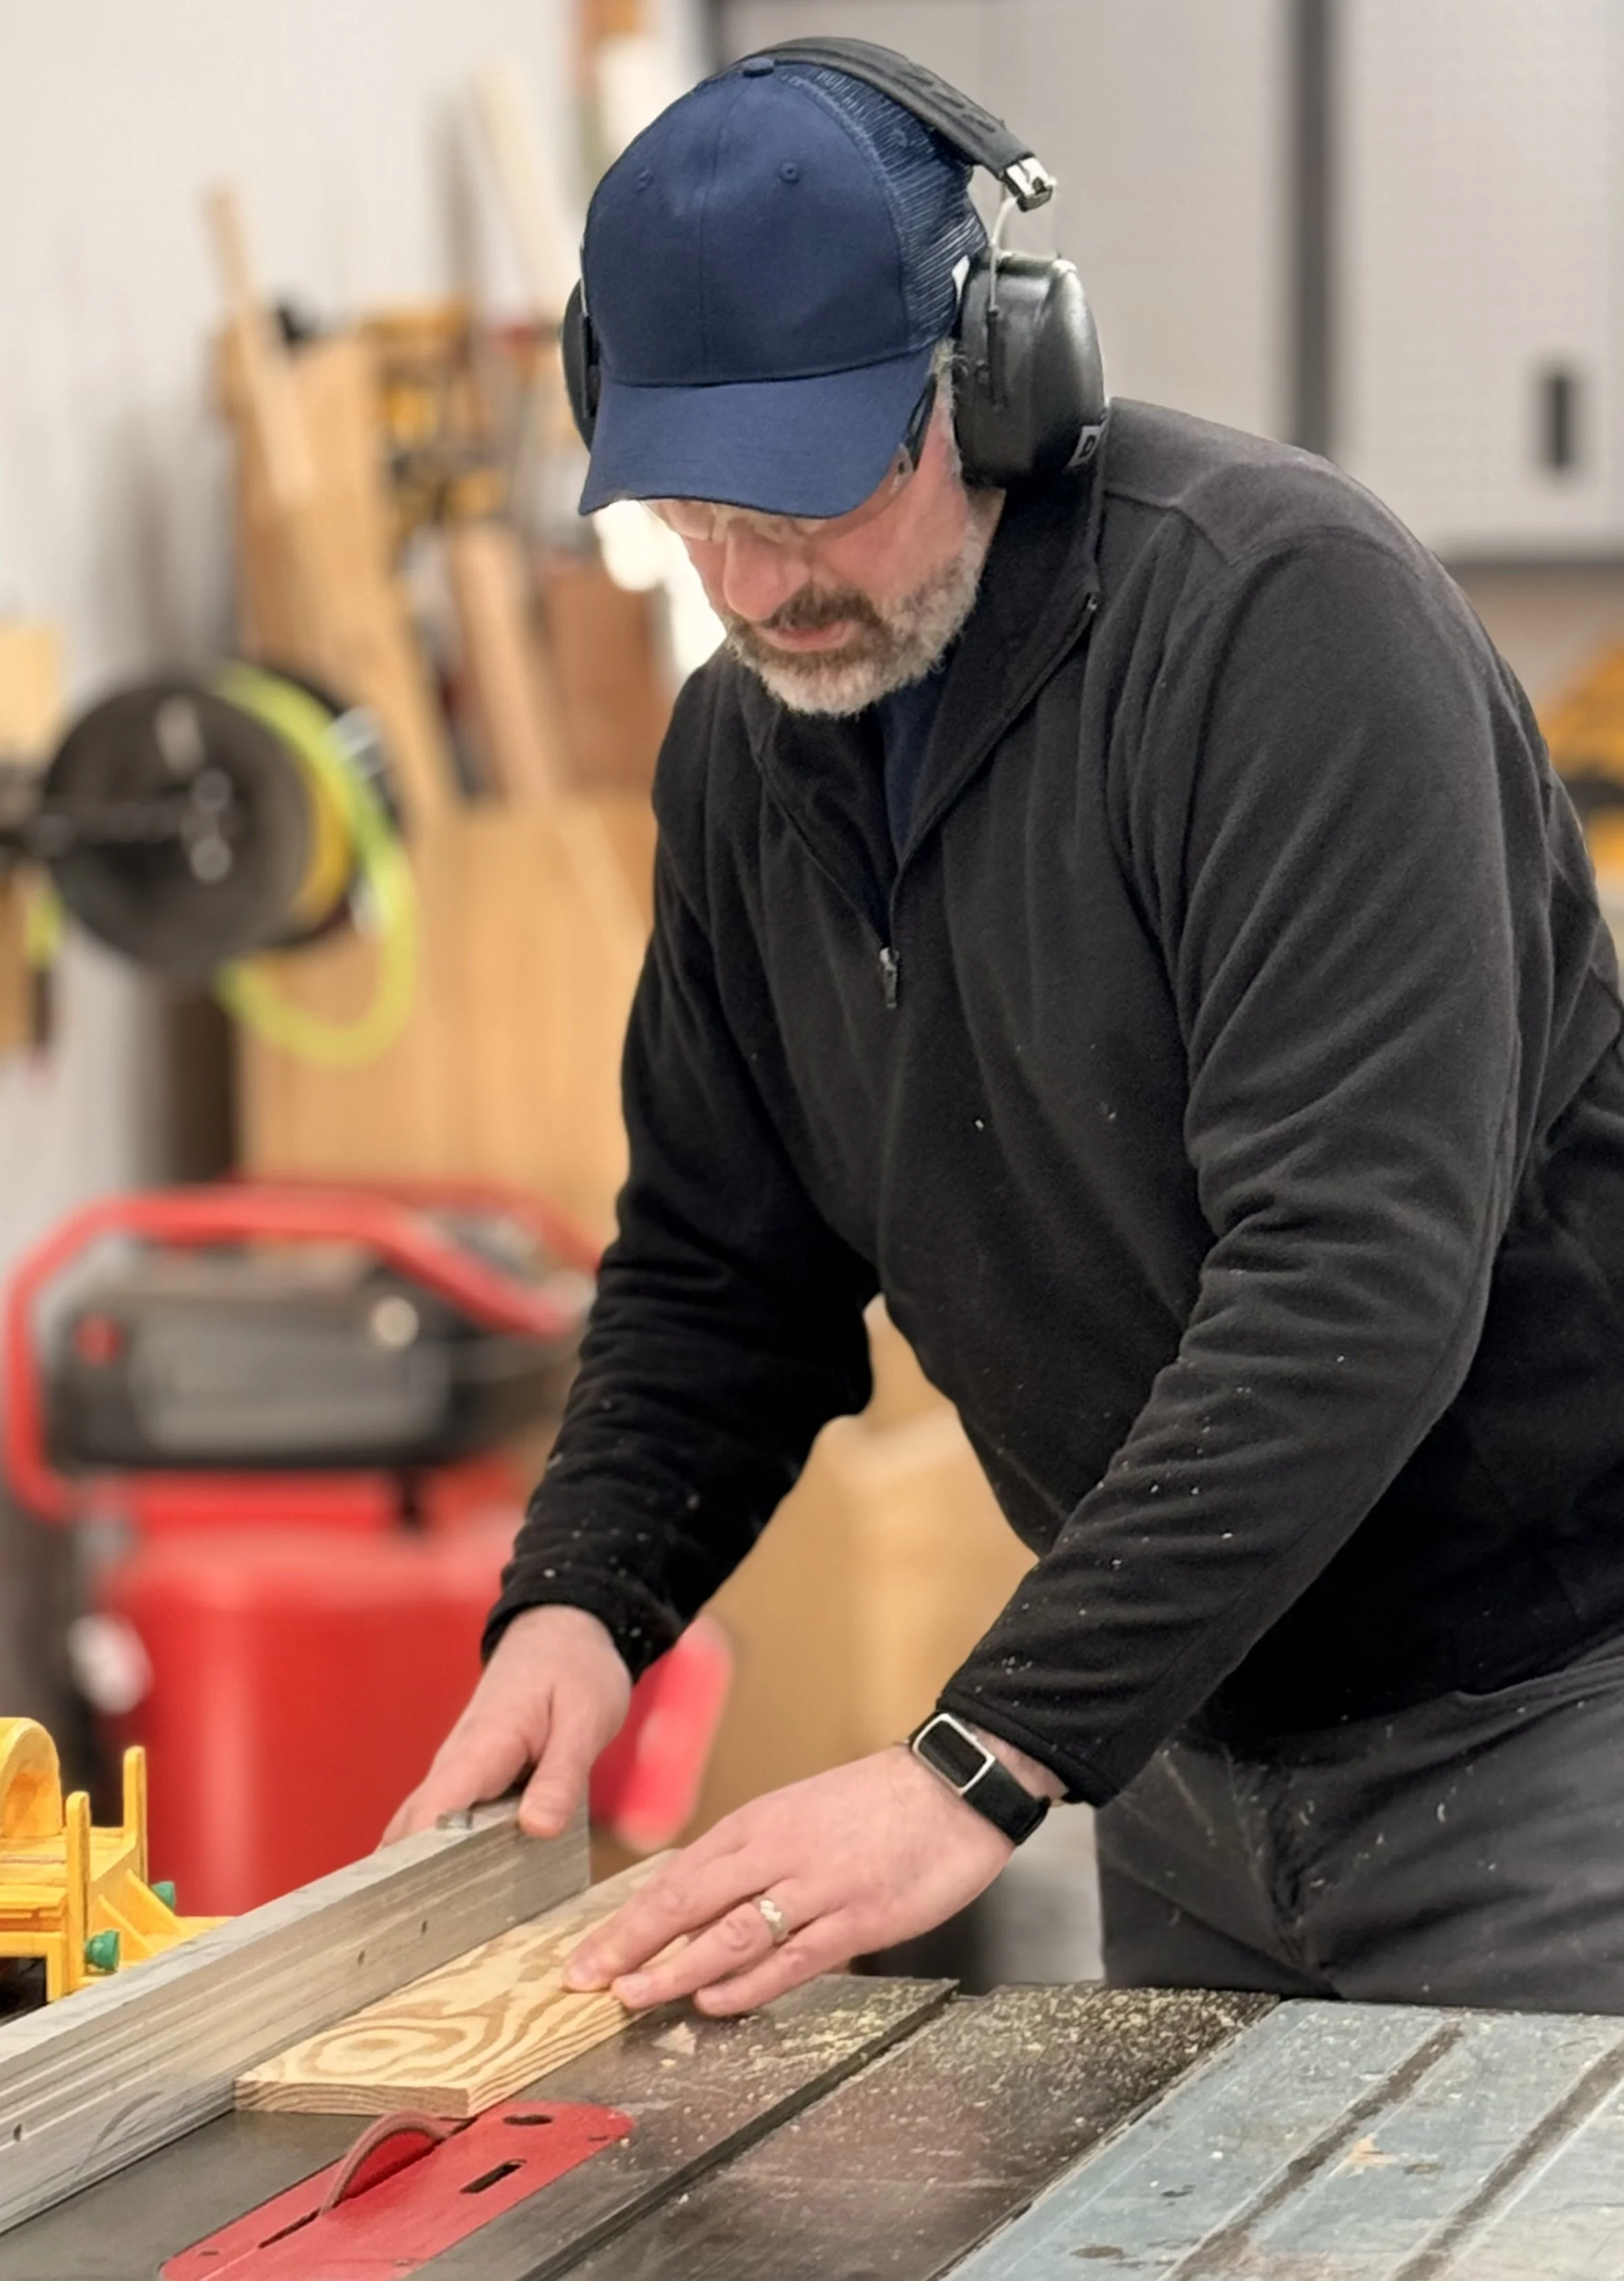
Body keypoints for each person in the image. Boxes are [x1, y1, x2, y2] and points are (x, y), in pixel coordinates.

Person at [389, 42, 1624, 2022]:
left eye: (825, 493)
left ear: (997, 377)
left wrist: (983, 1751)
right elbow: (725, 1266)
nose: (763, 586)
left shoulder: (1285, 631)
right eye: (699, 514)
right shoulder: (747, 757)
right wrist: (583, 1601)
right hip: (1186, 1742)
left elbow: (1356, 1274)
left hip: (1549, 1729)